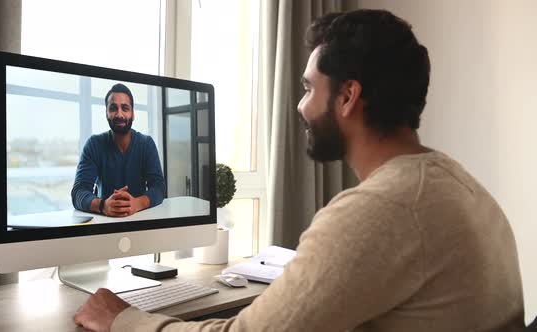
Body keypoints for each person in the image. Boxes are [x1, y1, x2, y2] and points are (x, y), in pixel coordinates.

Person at [74, 9, 525, 331]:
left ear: (348, 96)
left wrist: (124, 319)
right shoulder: (459, 183)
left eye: (309, 88)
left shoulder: (381, 208)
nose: (300, 105)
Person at [71, 83, 165, 217]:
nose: (119, 114)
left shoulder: (146, 144)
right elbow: (79, 192)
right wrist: (103, 205)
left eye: (125, 108)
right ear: (106, 113)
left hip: (140, 219)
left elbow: (158, 188)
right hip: (104, 222)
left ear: (132, 114)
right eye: (113, 108)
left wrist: (136, 204)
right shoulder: (94, 144)